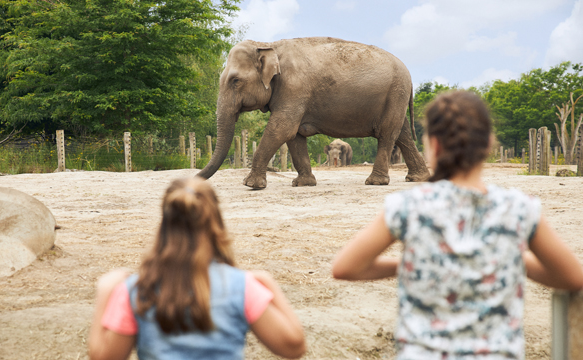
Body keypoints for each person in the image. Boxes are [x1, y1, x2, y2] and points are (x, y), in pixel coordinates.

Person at [332, 90, 583, 359]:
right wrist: (501, 258)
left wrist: (417, 262)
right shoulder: (519, 208)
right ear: (488, 144)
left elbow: (345, 267)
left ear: (433, 146)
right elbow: (572, 277)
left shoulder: (408, 206)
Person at [88, 177, 305, 360]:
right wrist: (267, 281)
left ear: (164, 225)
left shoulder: (136, 291)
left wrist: (106, 292)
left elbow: (103, 357)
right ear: (217, 224)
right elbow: (294, 346)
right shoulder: (241, 287)